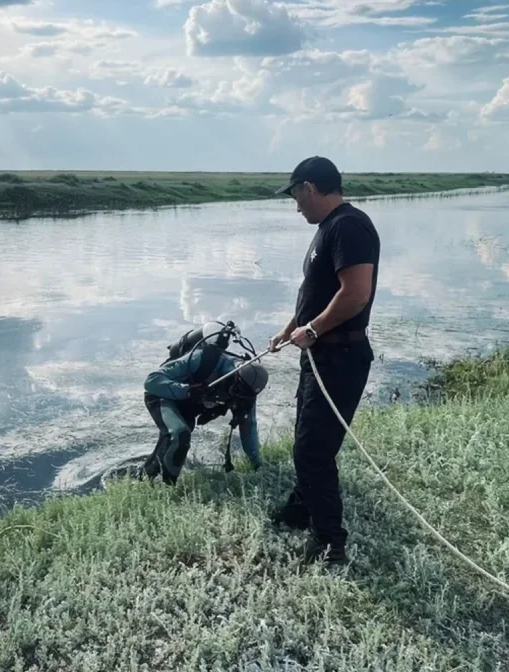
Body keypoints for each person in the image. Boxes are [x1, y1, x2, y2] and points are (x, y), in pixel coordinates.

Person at [267, 156, 380, 565]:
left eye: (296, 195)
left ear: (310, 188)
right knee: (307, 438)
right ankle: (301, 508)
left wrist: (312, 331)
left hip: (339, 356)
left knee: (313, 450)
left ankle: (330, 542)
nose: (295, 206)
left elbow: (355, 294)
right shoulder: (329, 228)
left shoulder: (349, 226)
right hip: (321, 354)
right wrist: (291, 327)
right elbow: (318, 292)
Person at [142, 323, 268, 485]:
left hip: (187, 404)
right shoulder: (202, 359)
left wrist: (257, 467)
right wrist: (186, 390)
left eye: (241, 397)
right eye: (234, 392)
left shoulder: (247, 392)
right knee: (180, 434)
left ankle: (146, 479)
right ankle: (165, 490)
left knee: (174, 442)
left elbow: (248, 428)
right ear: (233, 378)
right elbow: (152, 381)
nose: (233, 398)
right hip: (162, 394)